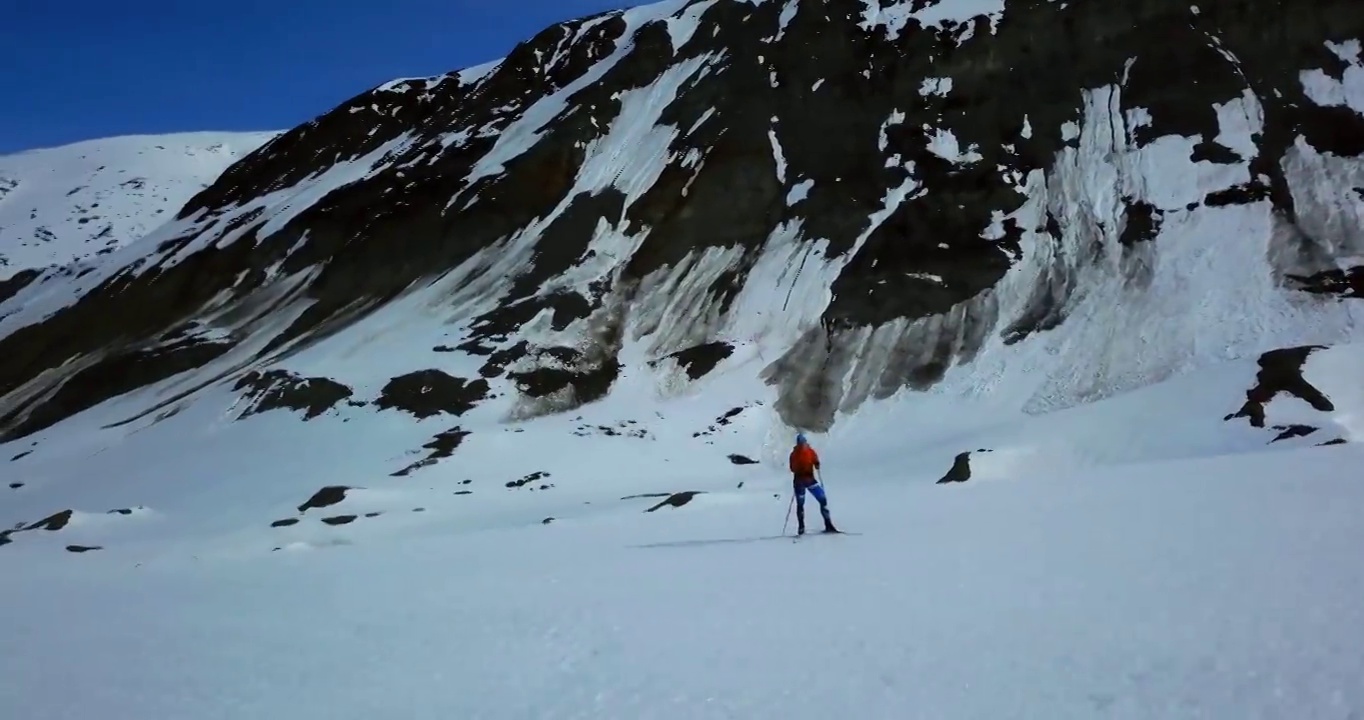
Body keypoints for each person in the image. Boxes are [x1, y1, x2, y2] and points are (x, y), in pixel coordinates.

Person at [789, 433, 838, 534]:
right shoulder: (799, 453)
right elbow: (794, 467)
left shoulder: (804, 452)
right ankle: (806, 526)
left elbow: (794, 467)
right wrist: (815, 464)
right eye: (802, 443)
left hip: (804, 480)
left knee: (814, 501)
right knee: (816, 501)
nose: (803, 445)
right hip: (804, 481)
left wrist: (816, 463)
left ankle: (824, 524)